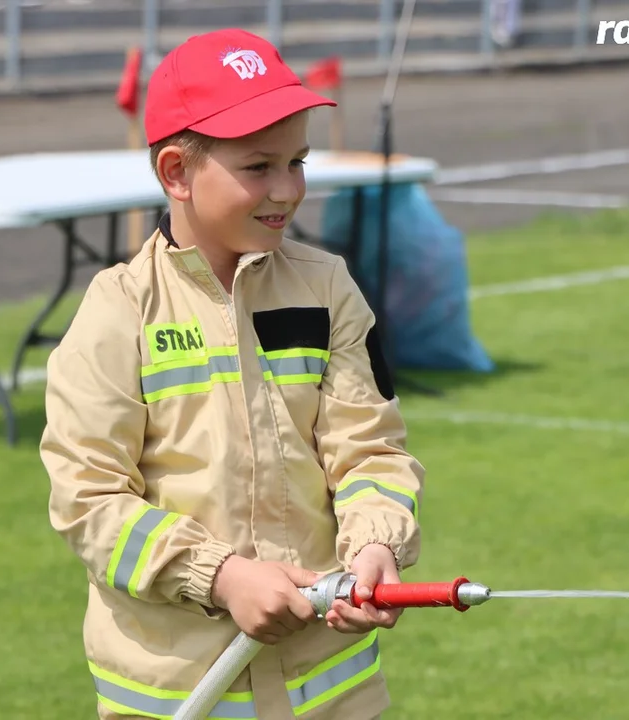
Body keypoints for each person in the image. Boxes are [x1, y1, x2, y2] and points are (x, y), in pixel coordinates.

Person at [39, 27, 425, 720]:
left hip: (335, 693)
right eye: (258, 167)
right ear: (176, 172)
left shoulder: (326, 287)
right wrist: (221, 577)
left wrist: (374, 544)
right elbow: (89, 501)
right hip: (184, 696)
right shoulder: (118, 311)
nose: (287, 189)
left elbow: (370, 451)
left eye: (298, 161)